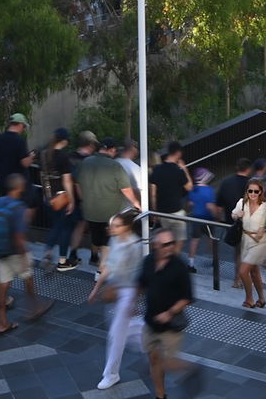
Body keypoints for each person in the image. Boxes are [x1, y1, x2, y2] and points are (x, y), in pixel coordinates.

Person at [139, 228, 200, 399]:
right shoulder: (148, 261)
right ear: (155, 245)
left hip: (171, 326)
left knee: (168, 362)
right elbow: (141, 283)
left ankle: (190, 369)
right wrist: (132, 303)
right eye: (165, 244)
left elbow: (187, 297)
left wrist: (169, 312)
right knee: (153, 359)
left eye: (171, 243)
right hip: (151, 322)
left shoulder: (179, 266)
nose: (169, 247)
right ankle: (160, 395)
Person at [88, 210, 144, 391]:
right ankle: (152, 342)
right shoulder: (115, 241)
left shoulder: (135, 246)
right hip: (115, 290)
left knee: (116, 335)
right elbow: (108, 267)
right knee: (128, 329)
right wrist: (96, 289)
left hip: (127, 292)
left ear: (126, 227)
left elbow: (137, 277)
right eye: (111, 225)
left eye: (116, 226)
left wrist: (133, 301)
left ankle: (111, 374)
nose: (111, 229)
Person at [76, 137, 140, 265]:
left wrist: (83, 199)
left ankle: (93, 257)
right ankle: (100, 273)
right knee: (107, 243)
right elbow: (126, 189)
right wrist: (137, 204)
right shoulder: (114, 165)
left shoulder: (86, 162)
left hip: (90, 210)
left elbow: (77, 184)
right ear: (112, 150)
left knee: (96, 236)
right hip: (109, 212)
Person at [0, 174, 31, 335]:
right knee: (28, 276)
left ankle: (2, 322)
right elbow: (18, 236)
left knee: (4, 285)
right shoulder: (19, 207)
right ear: (19, 187)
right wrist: (24, 254)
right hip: (14, 251)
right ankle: (34, 307)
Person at [38, 128, 78, 271]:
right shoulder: (63, 157)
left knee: (56, 226)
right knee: (65, 228)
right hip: (62, 197)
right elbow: (67, 180)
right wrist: (72, 200)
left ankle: (48, 251)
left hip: (48, 197)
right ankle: (62, 260)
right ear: (65, 140)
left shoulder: (43, 154)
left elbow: (42, 176)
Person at [234, 177, 266, 309]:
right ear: (246, 191)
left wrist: (263, 229)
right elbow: (233, 215)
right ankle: (262, 299)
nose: (252, 194)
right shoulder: (242, 203)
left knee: (243, 270)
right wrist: (237, 215)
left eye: (256, 191)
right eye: (250, 191)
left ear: (261, 192)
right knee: (254, 272)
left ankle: (249, 299)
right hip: (245, 239)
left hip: (260, 241)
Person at [149, 139, 193, 251]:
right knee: (180, 240)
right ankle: (171, 260)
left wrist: (154, 211)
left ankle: (162, 259)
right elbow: (189, 187)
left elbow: (152, 193)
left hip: (161, 212)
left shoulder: (157, 169)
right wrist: (184, 169)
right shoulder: (178, 171)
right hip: (176, 212)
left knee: (163, 240)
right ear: (178, 153)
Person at [187, 167, 220, 266]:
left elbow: (190, 204)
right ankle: (214, 259)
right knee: (212, 239)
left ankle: (191, 263)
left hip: (196, 217)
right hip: (208, 219)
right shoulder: (209, 190)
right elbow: (211, 206)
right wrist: (217, 216)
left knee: (194, 239)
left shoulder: (192, 189)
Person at [0, 114, 34, 182]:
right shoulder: (20, 140)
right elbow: (25, 163)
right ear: (20, 124)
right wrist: (31, 156)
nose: (23, 129)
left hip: (3, 178)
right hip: (18, 181)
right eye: (24, 126)